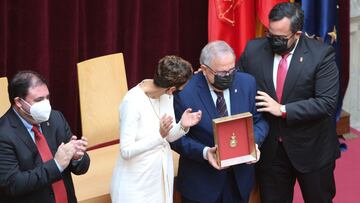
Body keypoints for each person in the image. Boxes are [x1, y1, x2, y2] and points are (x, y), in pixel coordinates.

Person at [237, 2, 340, 203]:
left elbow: (326, 103)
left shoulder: (321, 55)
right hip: (271, 152)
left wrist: (282, 109)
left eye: (280, 38)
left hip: (312, 150)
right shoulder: (253, 50)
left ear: (297, 34)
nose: (273, 41)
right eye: (270, 34)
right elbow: (238, 84)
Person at [170, 41, 269, 203]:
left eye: (232, 70)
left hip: (239, 181)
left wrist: (253, 142)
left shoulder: (247, 83)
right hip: (201, 184)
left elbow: (260, 121)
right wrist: (205, 152)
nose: (229, 76)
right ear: (204, 69)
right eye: (222, 73)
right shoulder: (185, 93)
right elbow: (175, 138)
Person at [110, 55, 202, 203]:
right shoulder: (132, 102)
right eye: (182, 89)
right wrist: (159, 135)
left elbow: (168, 137)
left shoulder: (167, 96)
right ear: (172, 89)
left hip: (160, 179)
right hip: (135, 185)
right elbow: (125, 151)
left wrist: (182, 125)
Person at [0, 70, 90, 203]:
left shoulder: (56, 118)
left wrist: (78, 157)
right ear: (19, 102)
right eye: (39, 100)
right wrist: (56, 165)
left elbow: (79, 168)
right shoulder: (3, 134)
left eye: (47, 97)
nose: (46, 104)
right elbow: (13, 184)